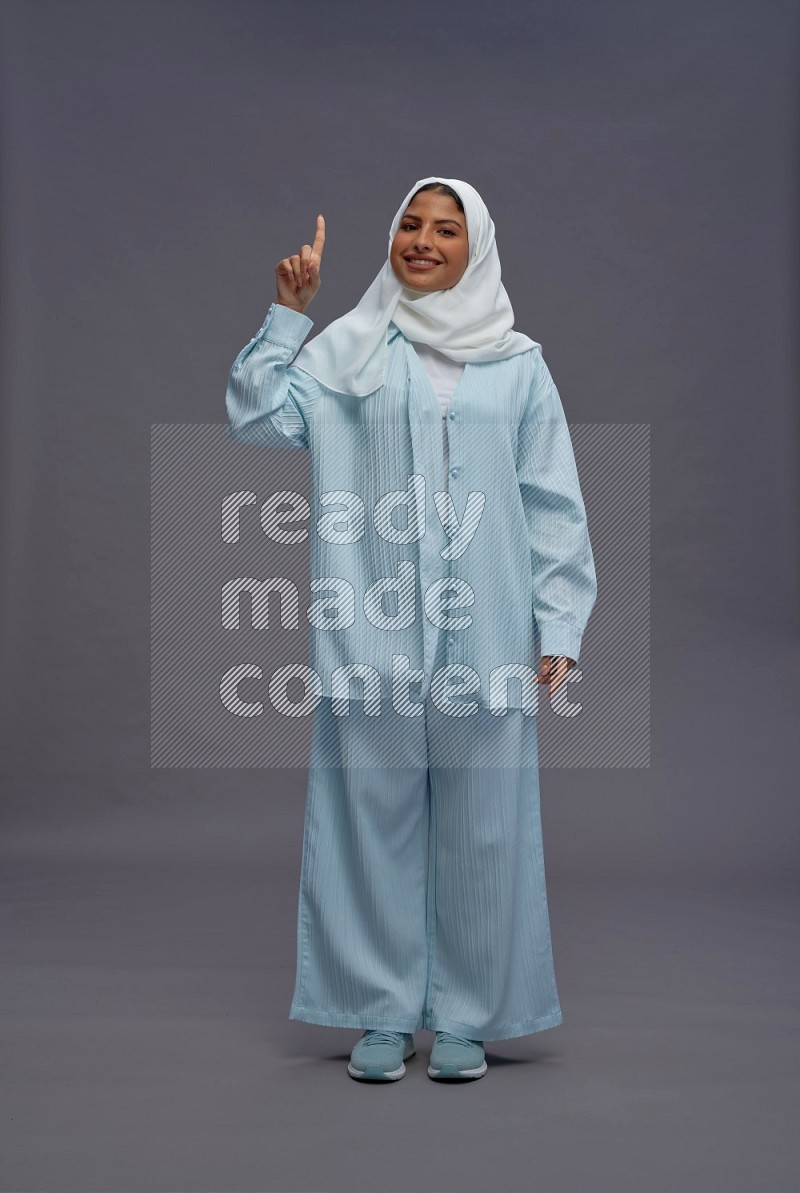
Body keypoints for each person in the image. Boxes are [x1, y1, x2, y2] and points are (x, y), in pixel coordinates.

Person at [225, 176, 597, 1082]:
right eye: (410, 225)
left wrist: (559, 625)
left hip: (489, 633)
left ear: (479, 250)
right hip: (372, 630)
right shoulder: (350, 349)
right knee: (367, 822)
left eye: (447, 230)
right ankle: (382, 1010)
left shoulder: (518, 364)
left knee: (486, 831)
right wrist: (287, 317)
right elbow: (257, 418)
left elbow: (554, 499)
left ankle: (468, 1014)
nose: (424, 241)